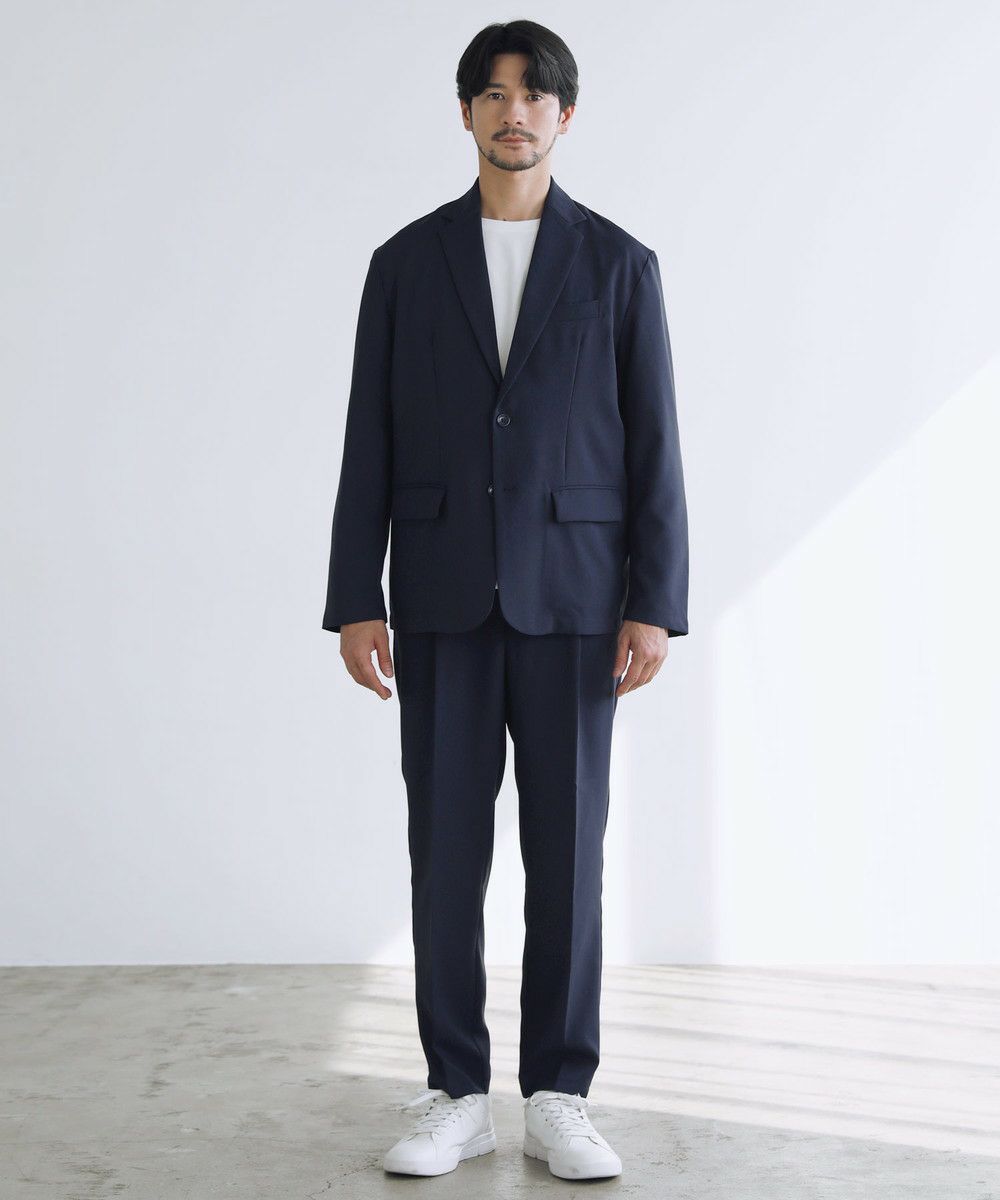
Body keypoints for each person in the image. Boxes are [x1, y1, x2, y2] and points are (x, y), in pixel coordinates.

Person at [322, 18, 688, 1182]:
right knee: (444, 855)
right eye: (492, 93)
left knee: (568, 857)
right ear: (466, 113)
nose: (513, 110)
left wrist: (654, 600)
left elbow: (654, 445)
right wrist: (355, 595)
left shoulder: (619, 266)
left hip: (576, 604)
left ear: (564, 115)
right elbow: (368, 440)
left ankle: (560, 1092)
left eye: (534, 95)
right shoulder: (405, 263)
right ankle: (454, 1093)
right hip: (437, 599)